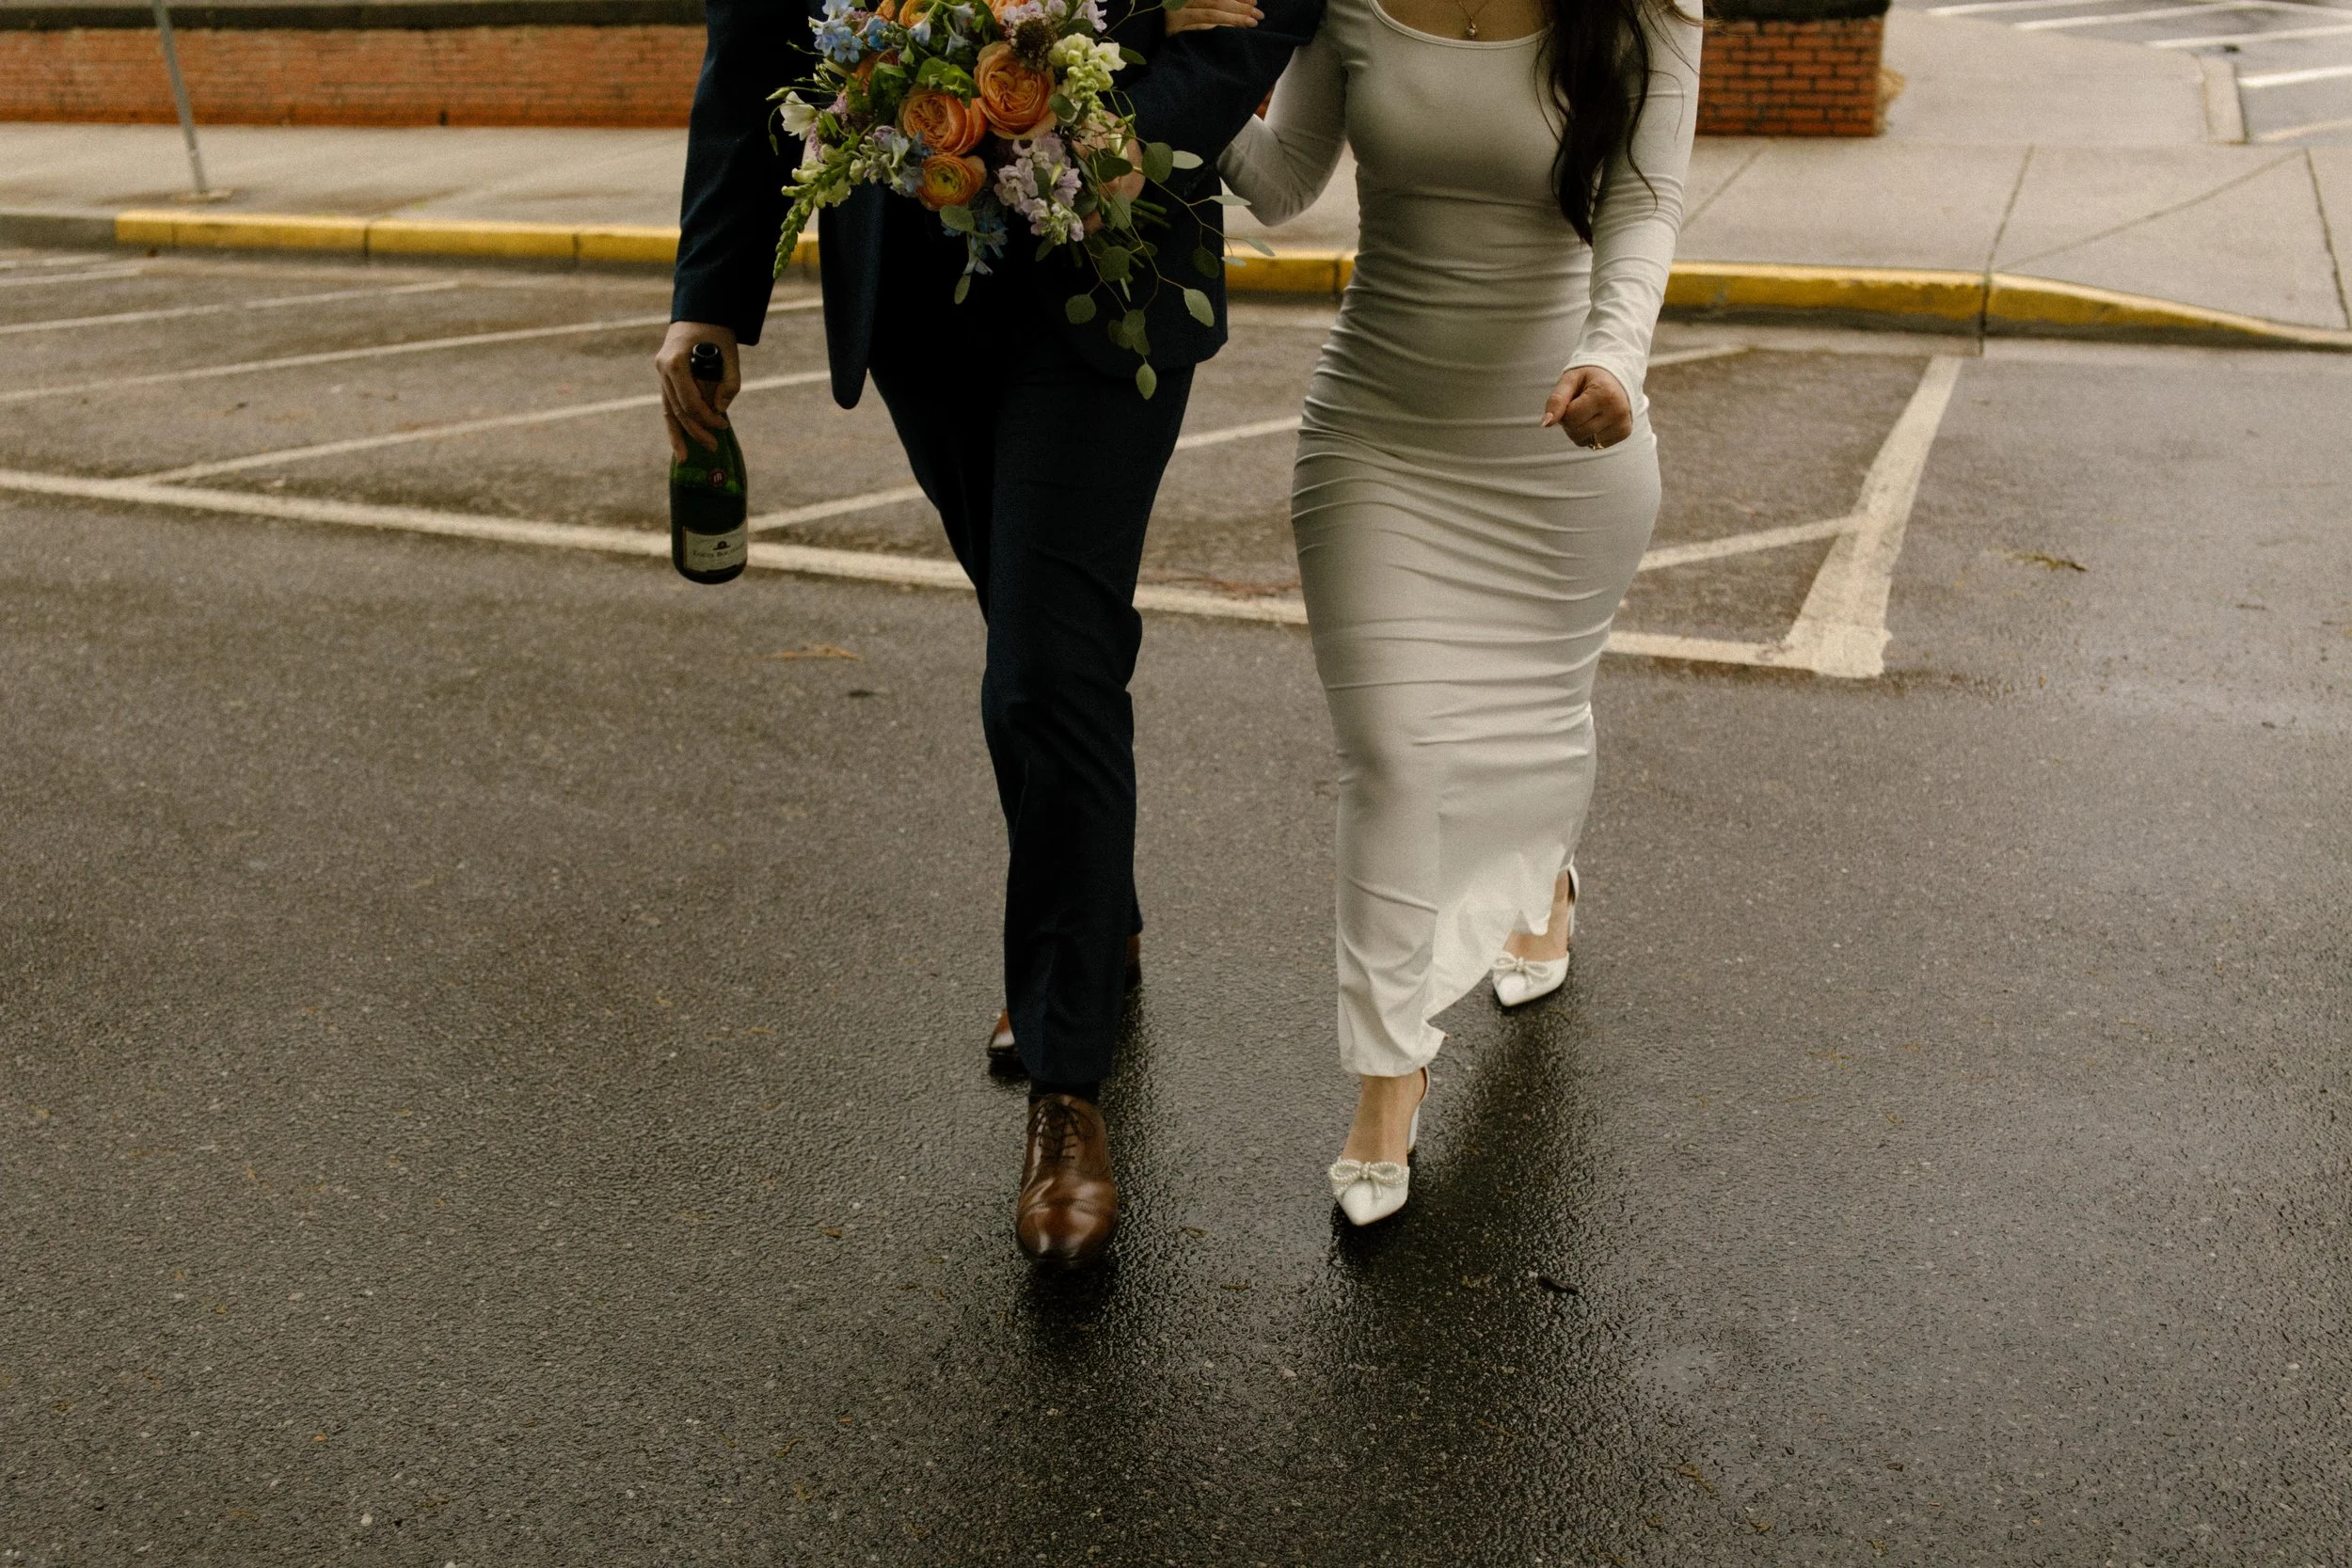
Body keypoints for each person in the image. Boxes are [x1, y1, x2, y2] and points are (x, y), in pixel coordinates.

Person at [657, 0, 1323, 1264]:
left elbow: (1263, 7)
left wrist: (1107, 126)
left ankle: (1068, 1090)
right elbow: (754, 38)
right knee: (1033, 625)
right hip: (916, 294)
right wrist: (710, 296)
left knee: (1043, 668)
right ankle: (1097, 906)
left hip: (1106, 260)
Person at [1165, 0, 1699, 1223]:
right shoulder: (1344, 0)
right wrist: (1164, 77)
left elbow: (1644, 202)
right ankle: (1387, 1076)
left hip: (1562, 430)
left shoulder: (1645, 8)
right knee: (1396, 757)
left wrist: (1617, 358)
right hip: (1377, 434)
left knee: (1537, 711)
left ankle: (1542, 885)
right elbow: (1286, 179)